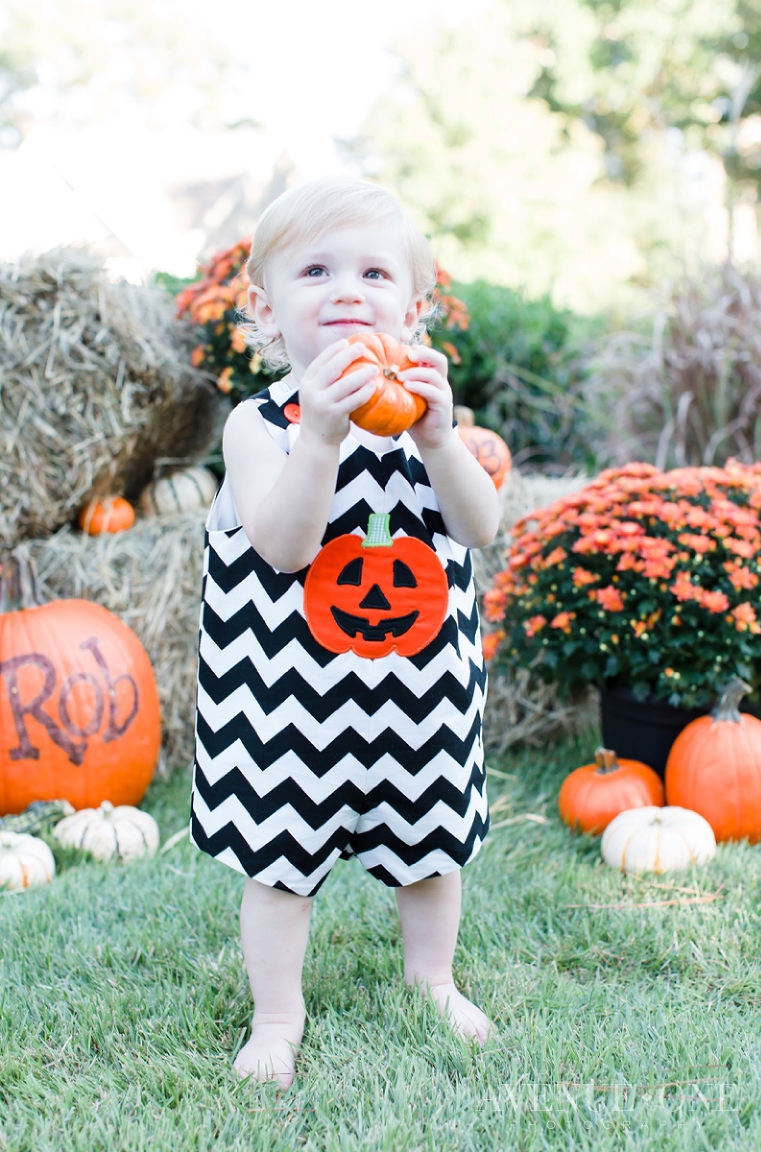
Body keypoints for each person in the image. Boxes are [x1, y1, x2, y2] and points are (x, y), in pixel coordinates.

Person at [190, 177, 501, 1087]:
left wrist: (445, 441)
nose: (347, 290)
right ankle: (277, 1016)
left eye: (373, 271)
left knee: (432, 851)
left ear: (415, 307)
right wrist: (321, 436)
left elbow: (477, 527)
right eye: (316, 270)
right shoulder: (262, 425)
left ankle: (432, 980)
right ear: (267, 309)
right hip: (287, 701)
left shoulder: (433, 418)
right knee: (280, 865)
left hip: (420, 695)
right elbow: (283, 548)